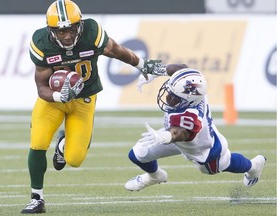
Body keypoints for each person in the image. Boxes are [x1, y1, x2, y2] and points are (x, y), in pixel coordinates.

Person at [21, 0, 164, 214]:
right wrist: (60, 95)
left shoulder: (91, 33)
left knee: (74, 160)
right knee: (38, 143)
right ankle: (37, 198)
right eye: (60, 32)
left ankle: (62, 145)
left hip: (84, 100)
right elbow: (42, 88)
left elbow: (115, 50)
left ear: (79, 25)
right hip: (53, 101)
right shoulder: (41, 42)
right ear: (51, 31)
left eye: (71, 29)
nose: (67, 36)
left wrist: (142, 65)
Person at [124, 64, 267, 192]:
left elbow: (180, 132)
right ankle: (155, 176)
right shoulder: (193, 85)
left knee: (218, 166)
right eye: (170, 91)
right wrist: (155, 71)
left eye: (174, 97)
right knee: (138, 153)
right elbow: (181, 69)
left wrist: (166, 136)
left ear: (188, 100)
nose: (168, 98)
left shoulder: (190, 116)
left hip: (204, 148)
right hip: (176, 136)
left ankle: (254, 166)